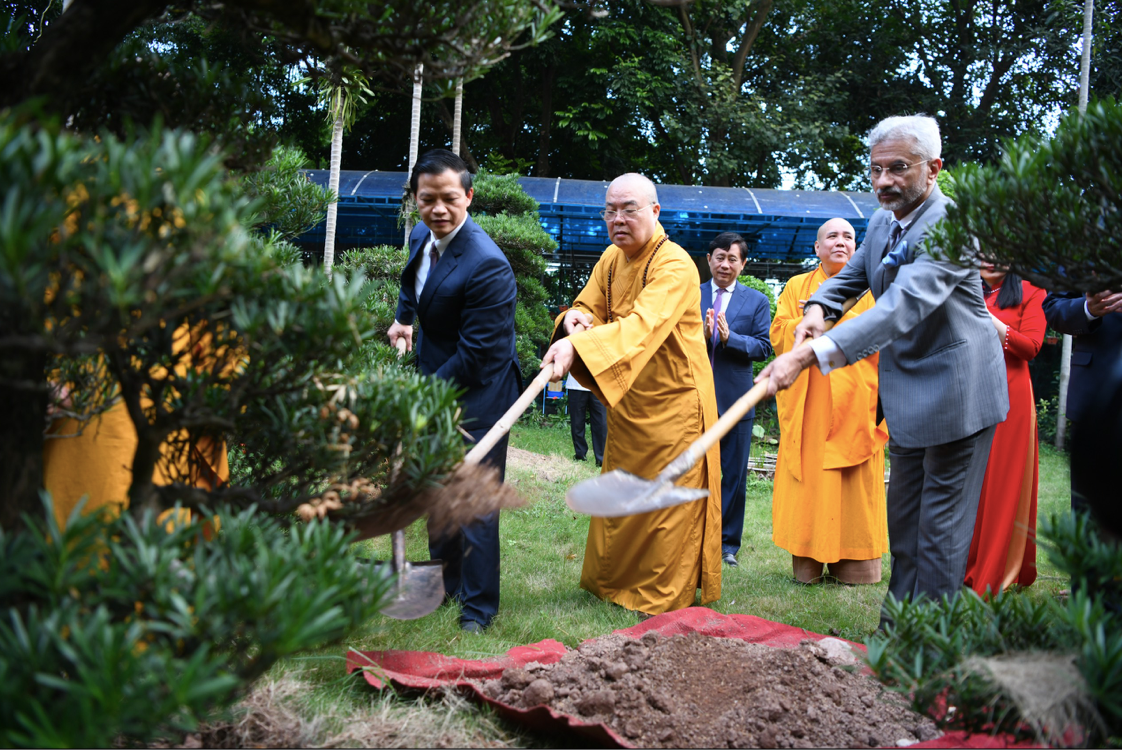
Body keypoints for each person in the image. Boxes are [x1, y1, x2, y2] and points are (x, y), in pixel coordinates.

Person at [756, 115, 1008, 624]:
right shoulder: (878, 222)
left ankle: (928, 657)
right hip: (908, 397)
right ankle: (896, 635)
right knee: (906, 526)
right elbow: (848, 279)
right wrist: (815, 311)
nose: (883, 181)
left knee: (939, 532)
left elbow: (903, 306)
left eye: (898, 168)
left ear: (933, 168)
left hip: (960, 395)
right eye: (875, 170)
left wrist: (809, 355)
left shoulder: (949, 226)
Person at [540, 173, 722, 616]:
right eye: (610, 211)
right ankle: (613, 583)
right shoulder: (611, 256)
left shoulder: (675, 264)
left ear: (655, 212)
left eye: (629, 209)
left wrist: (578, 346)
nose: (617, 219)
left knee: (665, 502)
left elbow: (643, 325)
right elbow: (588, 304)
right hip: (628, 400)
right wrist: (574, 321)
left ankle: (661, 595)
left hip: (676, 404)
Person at [387, 149, 521, 633]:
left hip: (479, 393)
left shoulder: (487, 264)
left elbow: (478, 356)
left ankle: (479, 608)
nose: (438, 209)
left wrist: (418, 397)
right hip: (436, 376)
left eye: (449, 198)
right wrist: (404, 318)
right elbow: (412, 281)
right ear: (416, 201)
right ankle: (444, 582)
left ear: (468, 195)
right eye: (427, 199)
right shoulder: (423, 234)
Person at [770, 218, 889, 585]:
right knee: (812, 482)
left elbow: (886, 330)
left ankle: (856, 568)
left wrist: (829, 319)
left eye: (849, 237)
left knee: (853, 484)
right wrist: (808, 321)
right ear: (817, 248)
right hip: (811, 406)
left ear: (858, 249)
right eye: (832, 236)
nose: (841, 242)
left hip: (859, 402)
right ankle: (807, 563)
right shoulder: (796, 286)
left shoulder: (875, 286)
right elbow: (779, 332)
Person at [964, 266, 1046, 596]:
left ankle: (994, 570)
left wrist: (991, 321)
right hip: (967, 389)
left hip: (1012, 393)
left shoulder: (1031, 290)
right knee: (969, 480)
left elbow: (1031, 347)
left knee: (1001, 481)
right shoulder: (965, 286)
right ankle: (960, 563)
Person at [700, 232, 772, 567]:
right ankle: (693, 535)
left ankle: (727, 545)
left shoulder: (755, 301)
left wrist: (731, 338)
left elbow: (763, 347)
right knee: (696, 470)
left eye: (732, 259)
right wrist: (698, 336)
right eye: (719, 257)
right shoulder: (691, 295)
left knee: (733, 474)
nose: (724, 264)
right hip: (693, 398)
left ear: (743, 264)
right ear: (709, 259)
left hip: (736, 400)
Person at [1042, 289, 1122, 514]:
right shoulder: (1080, 254)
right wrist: (1087, 309)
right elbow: (1054, 306)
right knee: (1088, 512)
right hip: (1094, 394)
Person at [566, 371, 606, 467]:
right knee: (577, 422)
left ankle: (602, 459)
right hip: (576, 383)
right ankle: (580, 455)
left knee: (601, 424)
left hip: (599, 384)